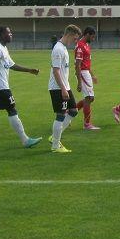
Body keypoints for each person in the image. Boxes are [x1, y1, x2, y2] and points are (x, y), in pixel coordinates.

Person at [49, 25, 82, 153]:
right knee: (61, 115)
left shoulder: (63, 48)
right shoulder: (58, 49)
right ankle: (55, 146)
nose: (76, 41)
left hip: (64, 86)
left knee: (73, 111)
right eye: (75, 38)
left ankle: (54, 137)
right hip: (58, 87)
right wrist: (63, 89)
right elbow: (56, 71)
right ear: (69, 34)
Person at [74, 26, 99, 130]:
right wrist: (79, 82)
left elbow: (87, 63)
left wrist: (92, 75)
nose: (93, 39)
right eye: (93, 37)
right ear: (87, 34)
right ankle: (87, 124)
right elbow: (78, 65)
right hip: (83, 74)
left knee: (89, 98)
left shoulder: (86, 45)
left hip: (86, 73)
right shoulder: (80, 46)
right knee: (89, 98)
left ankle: (69, 112)